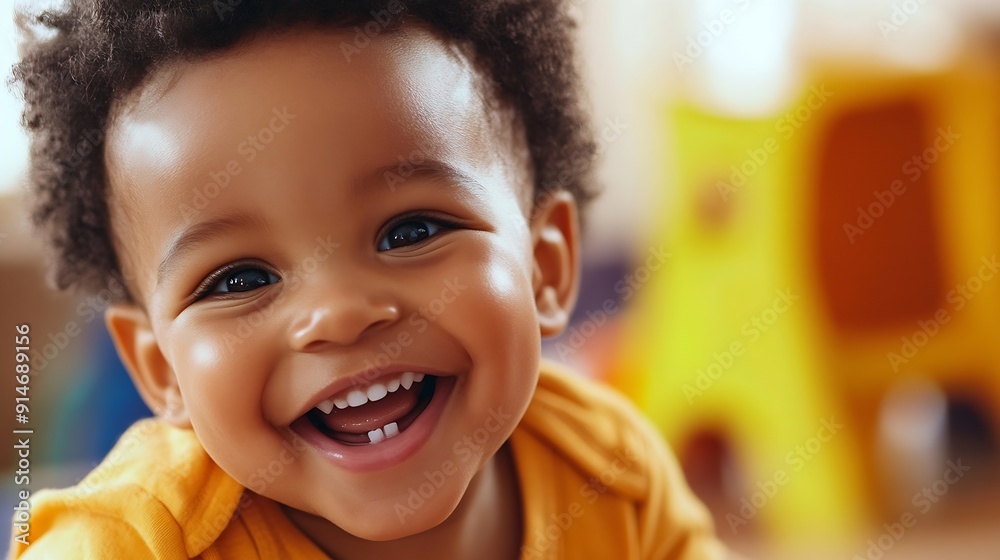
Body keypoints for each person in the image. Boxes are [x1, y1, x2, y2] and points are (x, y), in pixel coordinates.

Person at [10, 1, 729, 558]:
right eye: (239, 280)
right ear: (160, 368)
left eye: (411, 232)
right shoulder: (134, 544)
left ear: (546, 268)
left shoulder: (612, 477)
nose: (338, 311)